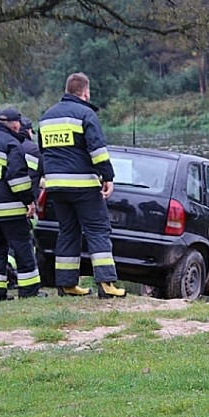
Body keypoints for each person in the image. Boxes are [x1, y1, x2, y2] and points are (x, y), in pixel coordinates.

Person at [38, 72, 125, 299]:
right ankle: (106, 284)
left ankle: (67, 284)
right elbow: (97, 150)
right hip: (83, 184)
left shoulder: (47, 117)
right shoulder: (85, 114)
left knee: (67, 231)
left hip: (56, 186)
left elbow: (42, 153)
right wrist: (108, 177)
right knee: (98, 229)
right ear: (85, 92)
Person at [0, 107, 45, 301]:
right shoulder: (12, 143)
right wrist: (29, 201)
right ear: (15, 124)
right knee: (22, 247)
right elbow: (17, 179)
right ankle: (29, 292)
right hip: (9, 208)